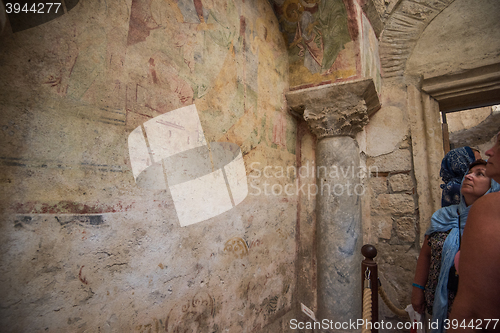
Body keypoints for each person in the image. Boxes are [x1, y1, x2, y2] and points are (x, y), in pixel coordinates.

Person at [411, 159, 497, 332]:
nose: (469, 176)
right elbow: (426, 255)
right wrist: (418, 290)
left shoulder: (494, 223)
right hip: (438, 301)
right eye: (469, 173)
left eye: (479, 174)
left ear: (493, 186)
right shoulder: (443, 217)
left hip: (475, 309)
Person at [449, 132, 500, 331]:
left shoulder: (489, 208)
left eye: (499, 143)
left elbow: (471, 315)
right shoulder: (443, 215)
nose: (489, 151)